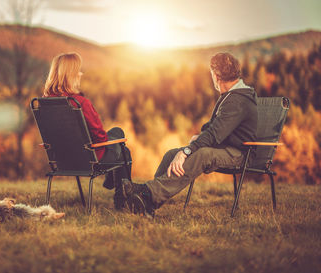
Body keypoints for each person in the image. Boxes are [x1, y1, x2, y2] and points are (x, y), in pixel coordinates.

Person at [122, 52, 258, 218]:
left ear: (216, 75)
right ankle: (148, 202)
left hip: (240, 153)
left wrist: (187, 151)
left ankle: (146, 194)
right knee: (171, 154)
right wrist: (197, 139)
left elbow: (215, 134)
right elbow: (212, 127)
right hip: (224, 147)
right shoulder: (230, 96)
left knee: (201, 154)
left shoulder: (237, 99)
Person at [43, 52, 131, 210]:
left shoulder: (45, 104)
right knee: (123, 146)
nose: (81, 73)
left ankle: (112, 182)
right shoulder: (80, 103)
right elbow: (100, 137)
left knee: (117, 135)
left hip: (62, 160)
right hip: (89, 159)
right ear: (70, 75)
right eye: (78, 70)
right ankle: (121, 198)